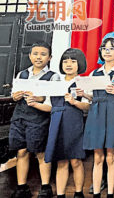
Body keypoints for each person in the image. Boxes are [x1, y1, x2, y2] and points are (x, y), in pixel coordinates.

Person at [9, 41, 60, 198]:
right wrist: (15, 96)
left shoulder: (53, 77)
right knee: (21, 151)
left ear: (50, 57)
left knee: (40, 152)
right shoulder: (21, 74)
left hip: (39, 119)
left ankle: (45, 187)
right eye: (36, 54)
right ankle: (21, 187)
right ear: (30, 56)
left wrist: (39, 99)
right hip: (19, 117)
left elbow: (52, 104)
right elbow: (14, 93)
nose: (39, 57)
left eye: (43, 54)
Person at [83, 38, 114, 198]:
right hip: (96, 114)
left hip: (113, 113)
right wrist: (83, 94)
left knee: (111, 155)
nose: (107, 51)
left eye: (111, 48)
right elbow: (91, 97)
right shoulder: (94, 73)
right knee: (98, 155)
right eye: (104, 48)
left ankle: (110, 193)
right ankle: (96, 192)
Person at [44, 48, 89, 198]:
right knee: (61, 161)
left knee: (76, 160)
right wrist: (32, 103)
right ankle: (61, 194)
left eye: (73, 61)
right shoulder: (55, 81)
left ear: (80, 64)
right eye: (65, 61)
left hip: (74, 122)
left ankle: (78, 193)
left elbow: (88, 106)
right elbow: (49, 105)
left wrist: (74, 102)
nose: (68, 64)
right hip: (56, 121)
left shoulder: (83, 82)